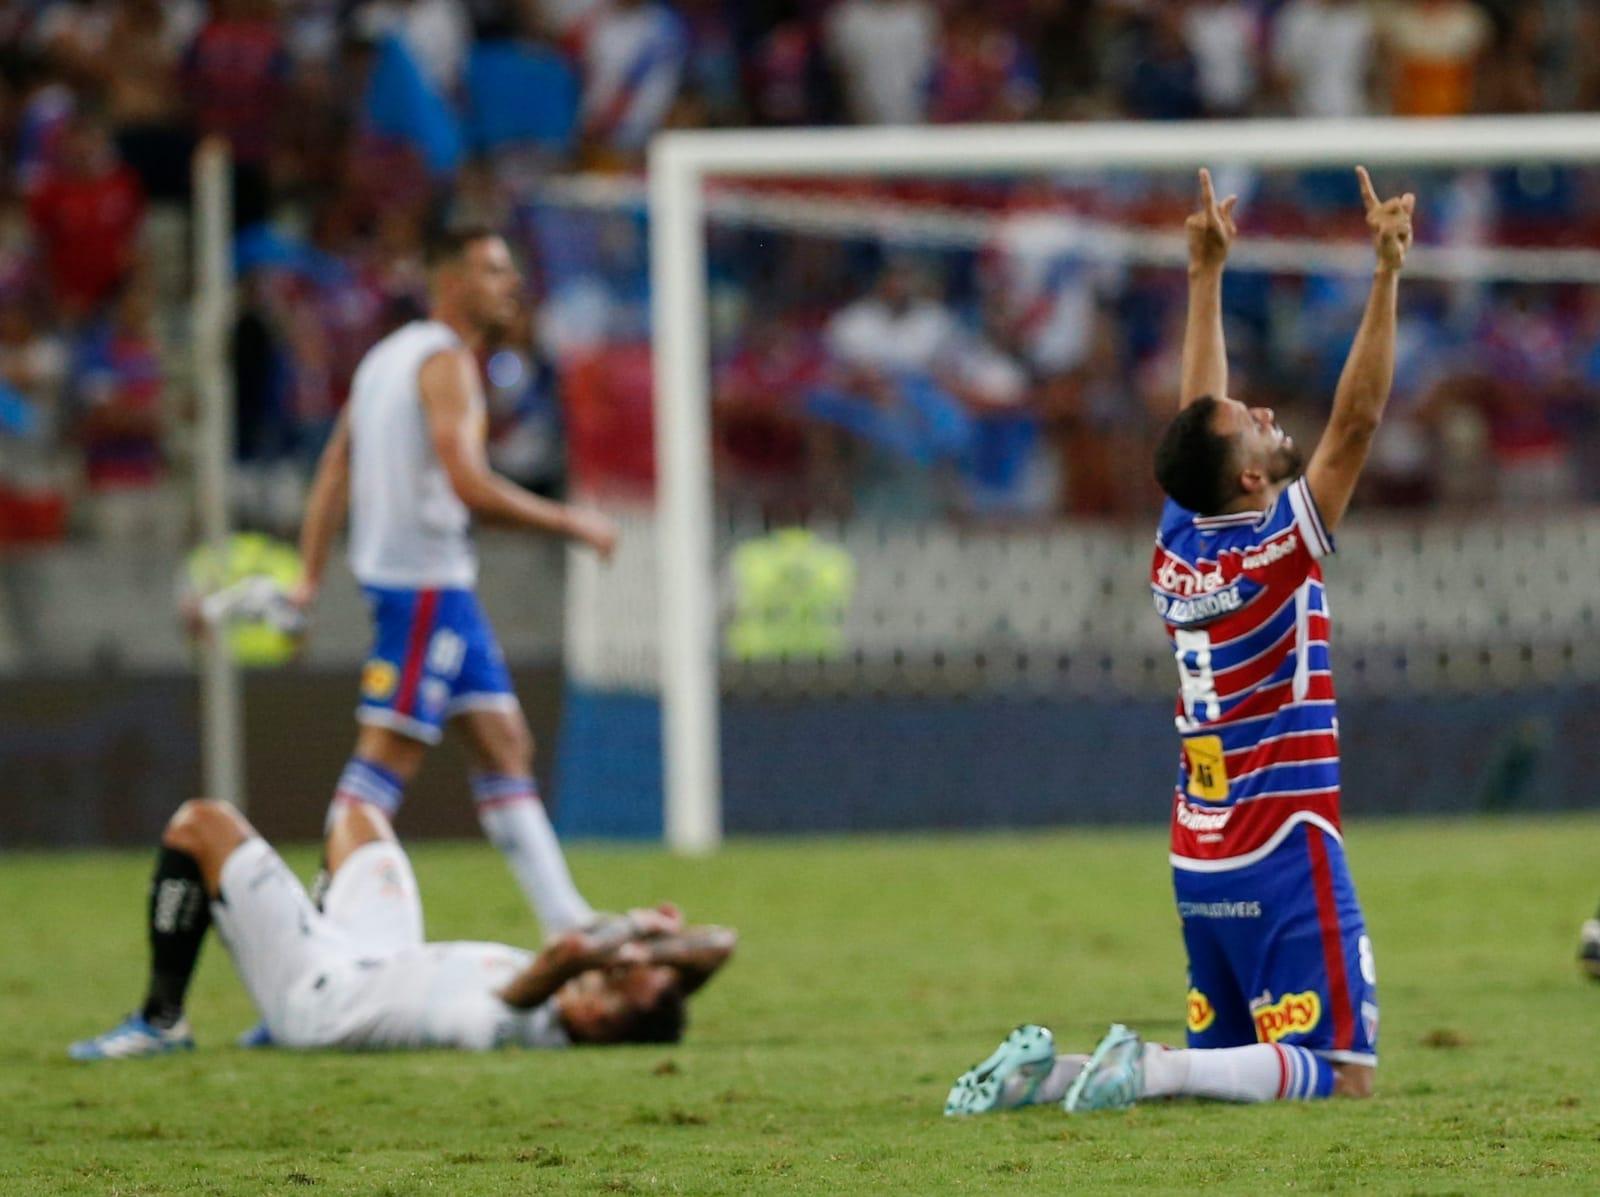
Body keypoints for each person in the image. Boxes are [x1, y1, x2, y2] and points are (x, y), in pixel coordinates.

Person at [946, 166, 1413, 1116]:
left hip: (1200, 853)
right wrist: (1387, 272)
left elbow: (1199, 417)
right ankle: (1149, 1064)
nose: (1263, 413)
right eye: (1253, 424)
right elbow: (1357, 420)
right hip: (1284, 842)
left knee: (1239, 1068)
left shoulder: (1180, 539)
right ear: (1246, 480)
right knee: (1343, 1073)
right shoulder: (1279, 545)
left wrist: (1204, 276)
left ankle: (1056, 1076)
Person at [294, 226, 618, 940]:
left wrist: (309, 575)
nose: (511, 284)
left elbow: (335, 466)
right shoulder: (446, 365)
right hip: (425, 589)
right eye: (494, 270)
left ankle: (569, 924)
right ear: (452, 281)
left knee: (504, 742)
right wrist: (574, 521)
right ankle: (318, 939)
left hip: (427, 586)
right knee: (381, 769)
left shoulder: (386, 357)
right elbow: (469, 484)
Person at [68, 798, 736, 1058]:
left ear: (600, 1025)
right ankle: (280, 946)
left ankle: (162, 1020)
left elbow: (566, 949)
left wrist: (633, 931)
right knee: (360, 821)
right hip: (377, 954)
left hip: (319, 995)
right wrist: (651, 948)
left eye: (615, 991)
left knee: (199, 823)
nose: (604, 981)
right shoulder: (570, 998)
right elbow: (720, 945)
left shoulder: (517, 1022)